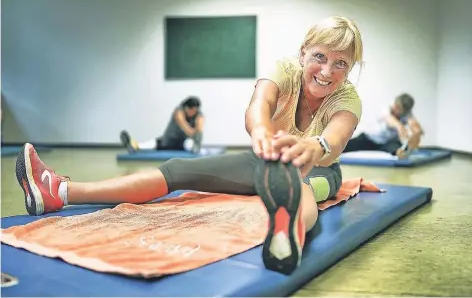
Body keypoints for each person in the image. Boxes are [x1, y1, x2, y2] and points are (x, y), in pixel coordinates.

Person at [15, 16, 364, 275]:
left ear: (349, 71)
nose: (327, 71)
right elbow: (260, 103)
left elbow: (336, 137)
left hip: (319, 168)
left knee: (301, 186)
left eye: (341, 64)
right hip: (266, 158)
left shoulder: (347, 98)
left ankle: (288, 232)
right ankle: (59, 193)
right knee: (178, 170)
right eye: (320, 56)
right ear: (303, 53)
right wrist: (261, 133)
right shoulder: (285, 70)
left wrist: (315, 146)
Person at [343, 93, 424, 158]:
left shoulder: (407, 114)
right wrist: (400, 127)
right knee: (346, 145)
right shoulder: (386, 109)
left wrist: (415, 134)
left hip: (386, 143)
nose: (396, 109)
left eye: (399, 108)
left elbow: (416, 127)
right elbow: (391, 121)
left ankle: (400, 153)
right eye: (396, 106)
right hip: (369, 139)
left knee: (396, 148)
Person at [120, 96, 204, 154]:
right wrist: (195, 133)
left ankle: (195, 148)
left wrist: (198, 132)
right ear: (186, 107)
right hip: (169, 141)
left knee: (190, 144)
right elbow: (187, 129)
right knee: (154, 143)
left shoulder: (199, 115)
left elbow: (199, 130)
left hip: (183, 144)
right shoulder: (178, 112)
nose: (193, 113)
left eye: (195, 111)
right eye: (191, 110)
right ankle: (132, 145)